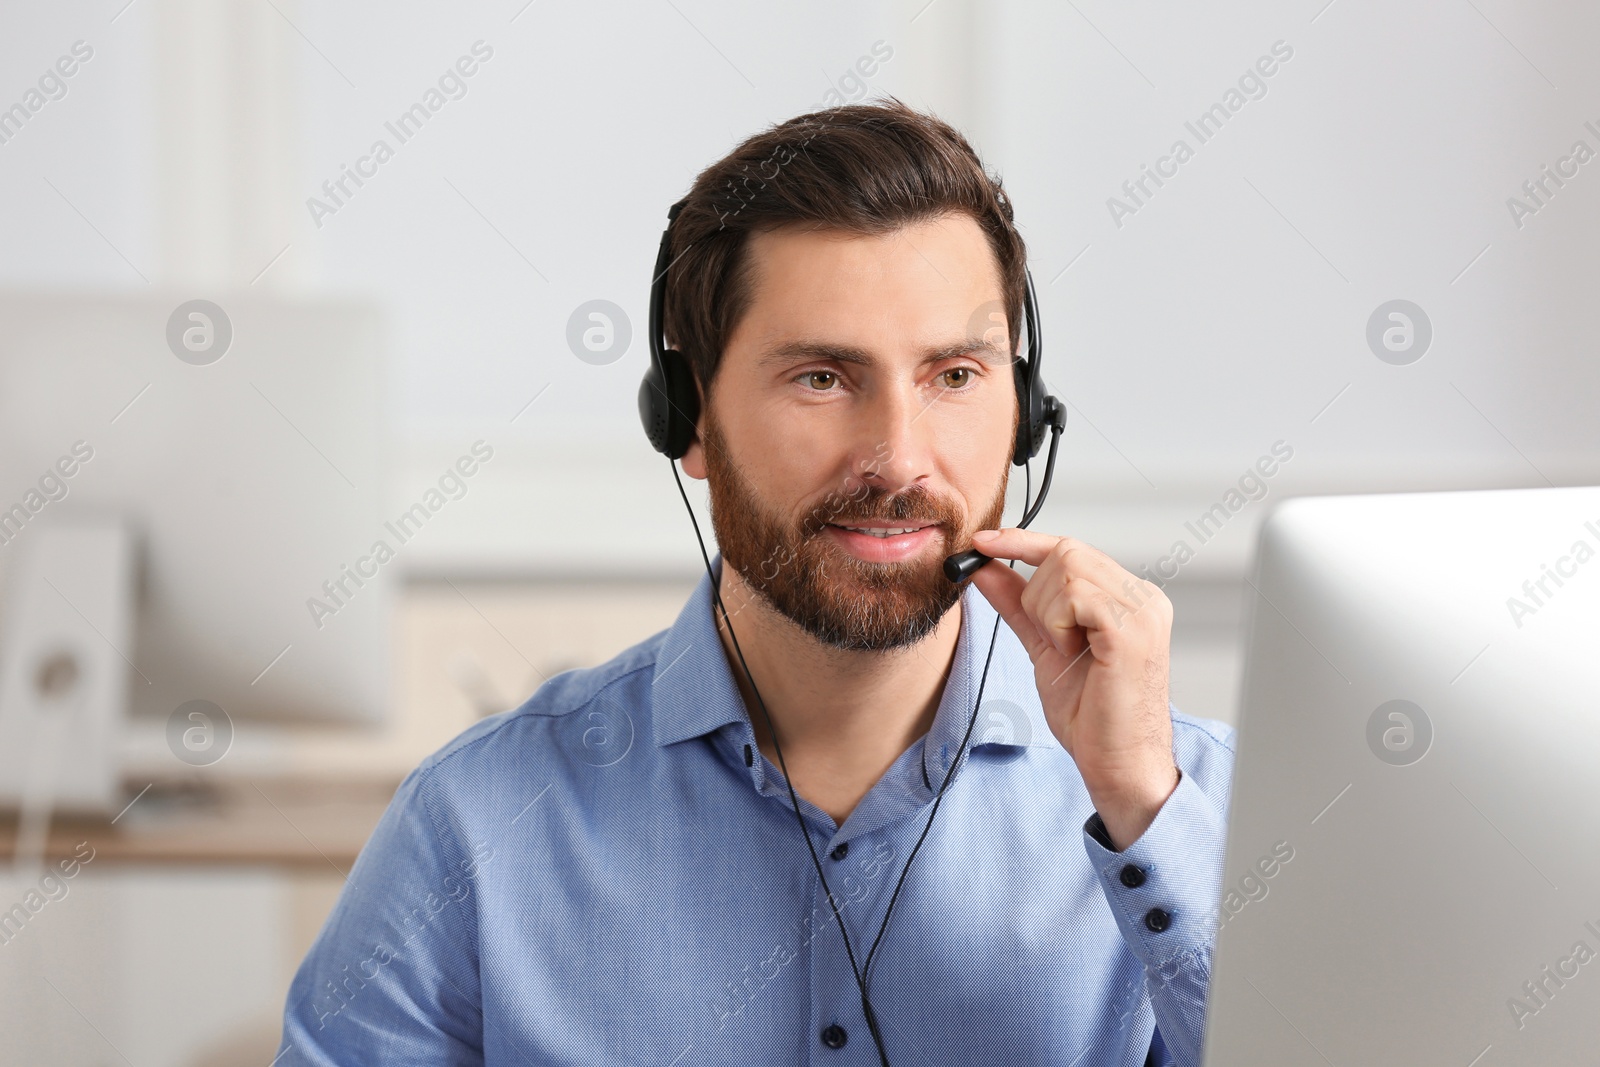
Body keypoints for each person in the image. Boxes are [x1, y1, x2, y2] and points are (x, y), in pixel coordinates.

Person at [279, 99, 1234, 1067]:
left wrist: (1142, 802)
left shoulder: (1195, 810)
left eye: (953, 374)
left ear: (1025, 412)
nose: (899, 459)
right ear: (688, 418)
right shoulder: (474, 826)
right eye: (822, 376)